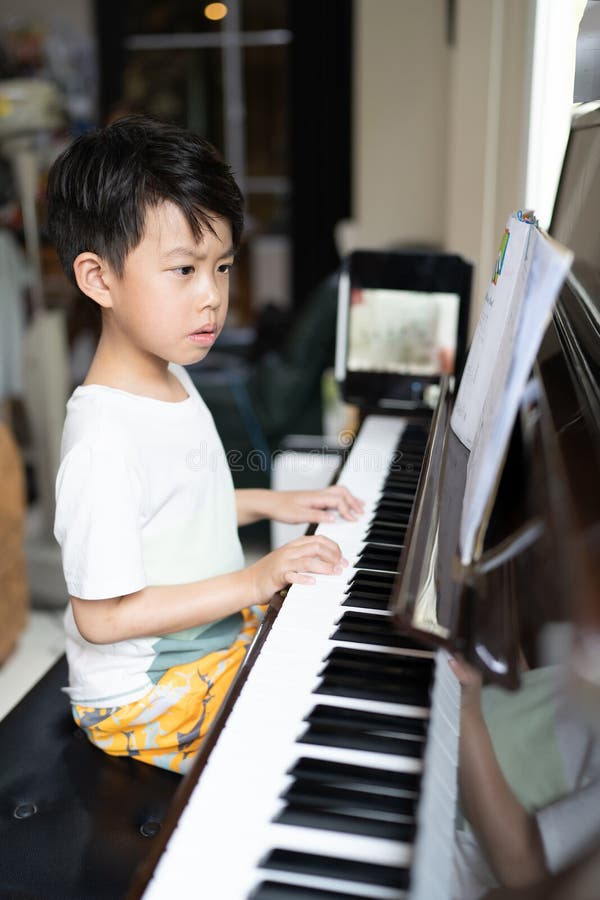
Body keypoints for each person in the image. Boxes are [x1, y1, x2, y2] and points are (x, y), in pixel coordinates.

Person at [48, 115, 363, 774]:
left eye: (221, 266)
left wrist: (275, 500)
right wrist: (253, 578)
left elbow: (184, 507)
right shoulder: (104, 442)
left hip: (205, 644)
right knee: (307, 751)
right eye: (184, 269)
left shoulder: (173, 377)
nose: (213, 297)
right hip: (145, 694)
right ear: (99, 279)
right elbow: (102, 618)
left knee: (333, 663)